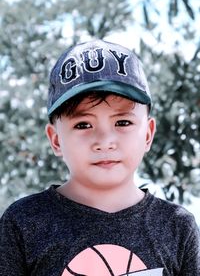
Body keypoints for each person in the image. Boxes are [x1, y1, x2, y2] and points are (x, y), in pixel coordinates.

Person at [0, 40, 199, 276]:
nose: (105, 141)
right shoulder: (24, 222)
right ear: (55, 140)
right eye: (83, 124)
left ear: (147, 134)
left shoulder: (177, 226)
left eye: (122, 122)